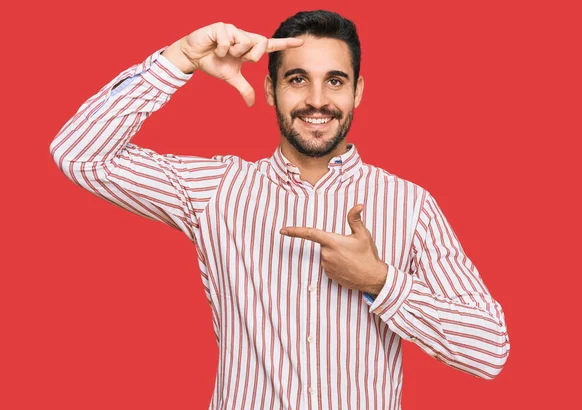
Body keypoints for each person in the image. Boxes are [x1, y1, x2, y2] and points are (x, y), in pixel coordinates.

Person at [50, 9, 510, 410]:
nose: (316, 100)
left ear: (358, 90)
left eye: (335, 80)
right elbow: (79, 154)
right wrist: (180, 59)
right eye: (296, 79)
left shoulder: (410, 205)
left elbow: (488, 351)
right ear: (270, 90)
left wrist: (380, 282)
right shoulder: (217, 190)